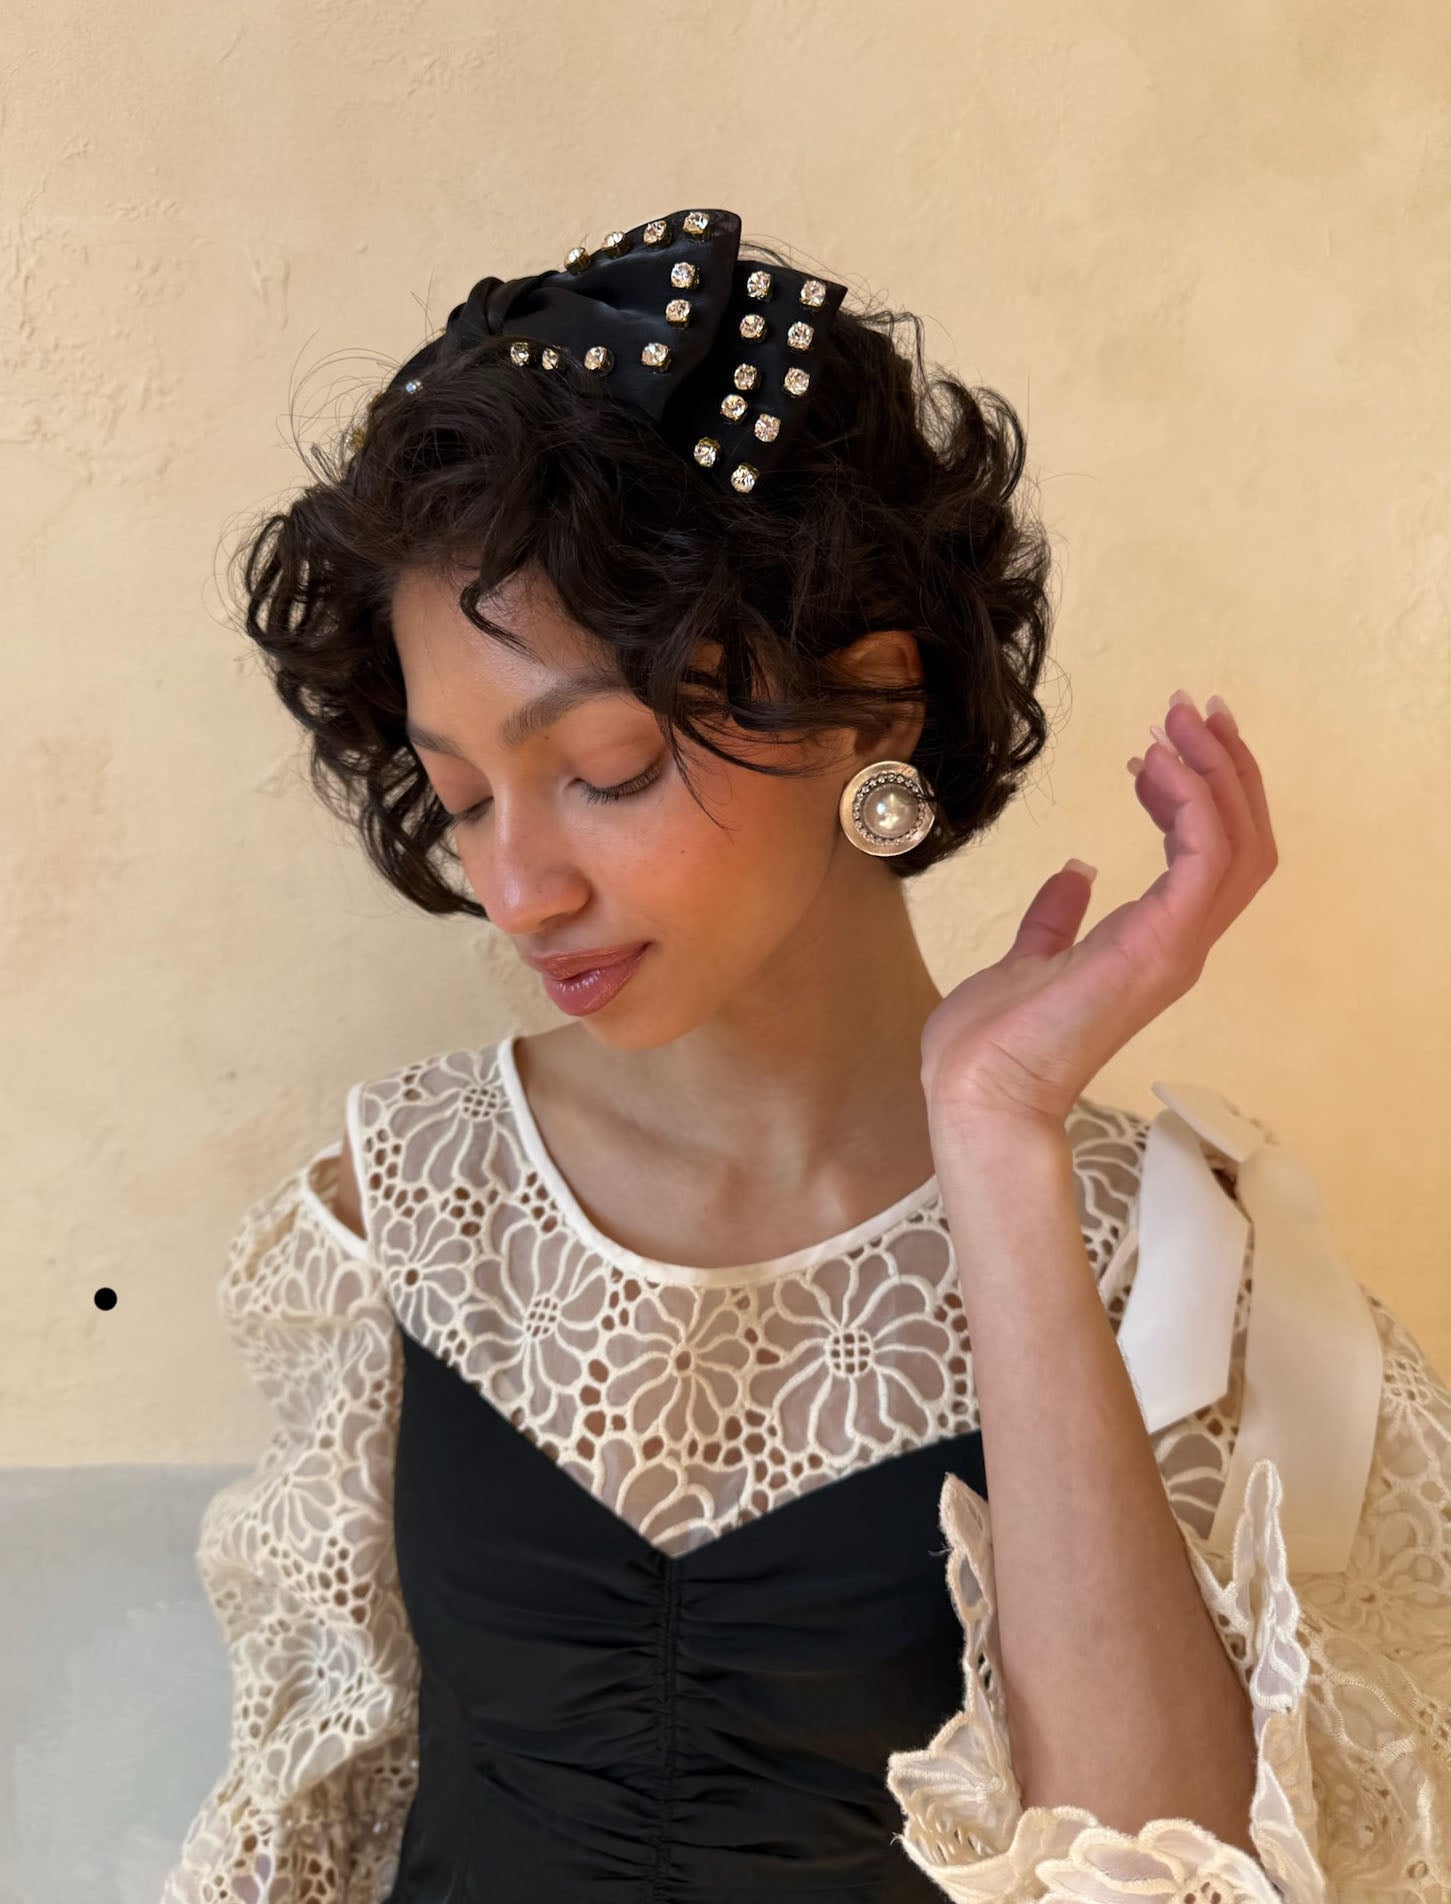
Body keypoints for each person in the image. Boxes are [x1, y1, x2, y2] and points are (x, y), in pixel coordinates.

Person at [160, 209, 1450, 1903]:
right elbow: (307, 1829)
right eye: (462, 797)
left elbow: (1167, 1871)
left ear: (875, 702)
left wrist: (996, 1144)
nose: (519, 889)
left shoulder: (1183, 1267)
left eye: (606, 768)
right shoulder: (396, 1212)